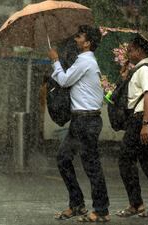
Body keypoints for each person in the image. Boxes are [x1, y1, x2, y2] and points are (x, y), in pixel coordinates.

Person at [48, 25, 110, 223]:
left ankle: (101, 210)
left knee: (91, 165)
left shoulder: (86, 61)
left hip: (87, 120)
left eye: (79, 36)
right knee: (63, 158)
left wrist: (56, 60)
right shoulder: (84, 61)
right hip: (80, 120)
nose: (75, 39)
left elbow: (65, 81)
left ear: (88, 43)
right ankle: (77, 204)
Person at [115, 36, 148, 218]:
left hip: (141, 120)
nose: (128, 53)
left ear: (140, 51)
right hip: (145, 120)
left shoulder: (145, 69)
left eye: (130, 50)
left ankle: (136, 204)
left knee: (125, 160)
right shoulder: (139, 69)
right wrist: (124, 76)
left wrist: (144, 124)